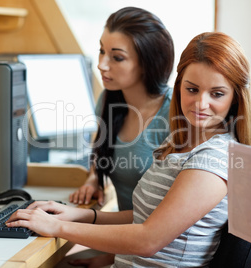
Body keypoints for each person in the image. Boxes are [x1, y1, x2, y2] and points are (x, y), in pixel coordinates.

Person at [6, 31, 251, 267]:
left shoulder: (214, 158)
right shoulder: (181, 143)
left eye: (217, 94)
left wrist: (57, 227)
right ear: (179, 85)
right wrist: (79, 215)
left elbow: (148, 239)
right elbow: (146, 217)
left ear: (234, 97)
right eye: (192, 89)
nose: (201, 103)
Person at [69, 6, 174, 209]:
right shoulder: (108, 99)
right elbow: (102, 152)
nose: (102, 64)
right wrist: (94, 179)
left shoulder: (173, 113)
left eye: (117, 57)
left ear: (148, 63)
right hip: (128, 235)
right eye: (101, 51)